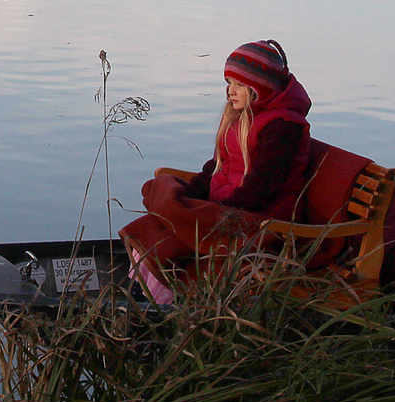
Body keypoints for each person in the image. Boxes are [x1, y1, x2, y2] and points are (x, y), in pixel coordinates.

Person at [120, 39, 312, 304]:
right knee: (163, 192)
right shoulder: (240, 115)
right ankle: (141, 295)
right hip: (229, 206)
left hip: (263, 219)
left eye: (239, 85)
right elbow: (218, 165)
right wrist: (192, 193)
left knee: (175, 229)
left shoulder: (283, 127)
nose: (230, 91)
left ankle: (157, 303)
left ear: (259, 88)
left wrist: (212, 211)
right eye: (228, 83)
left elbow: (262, 190)